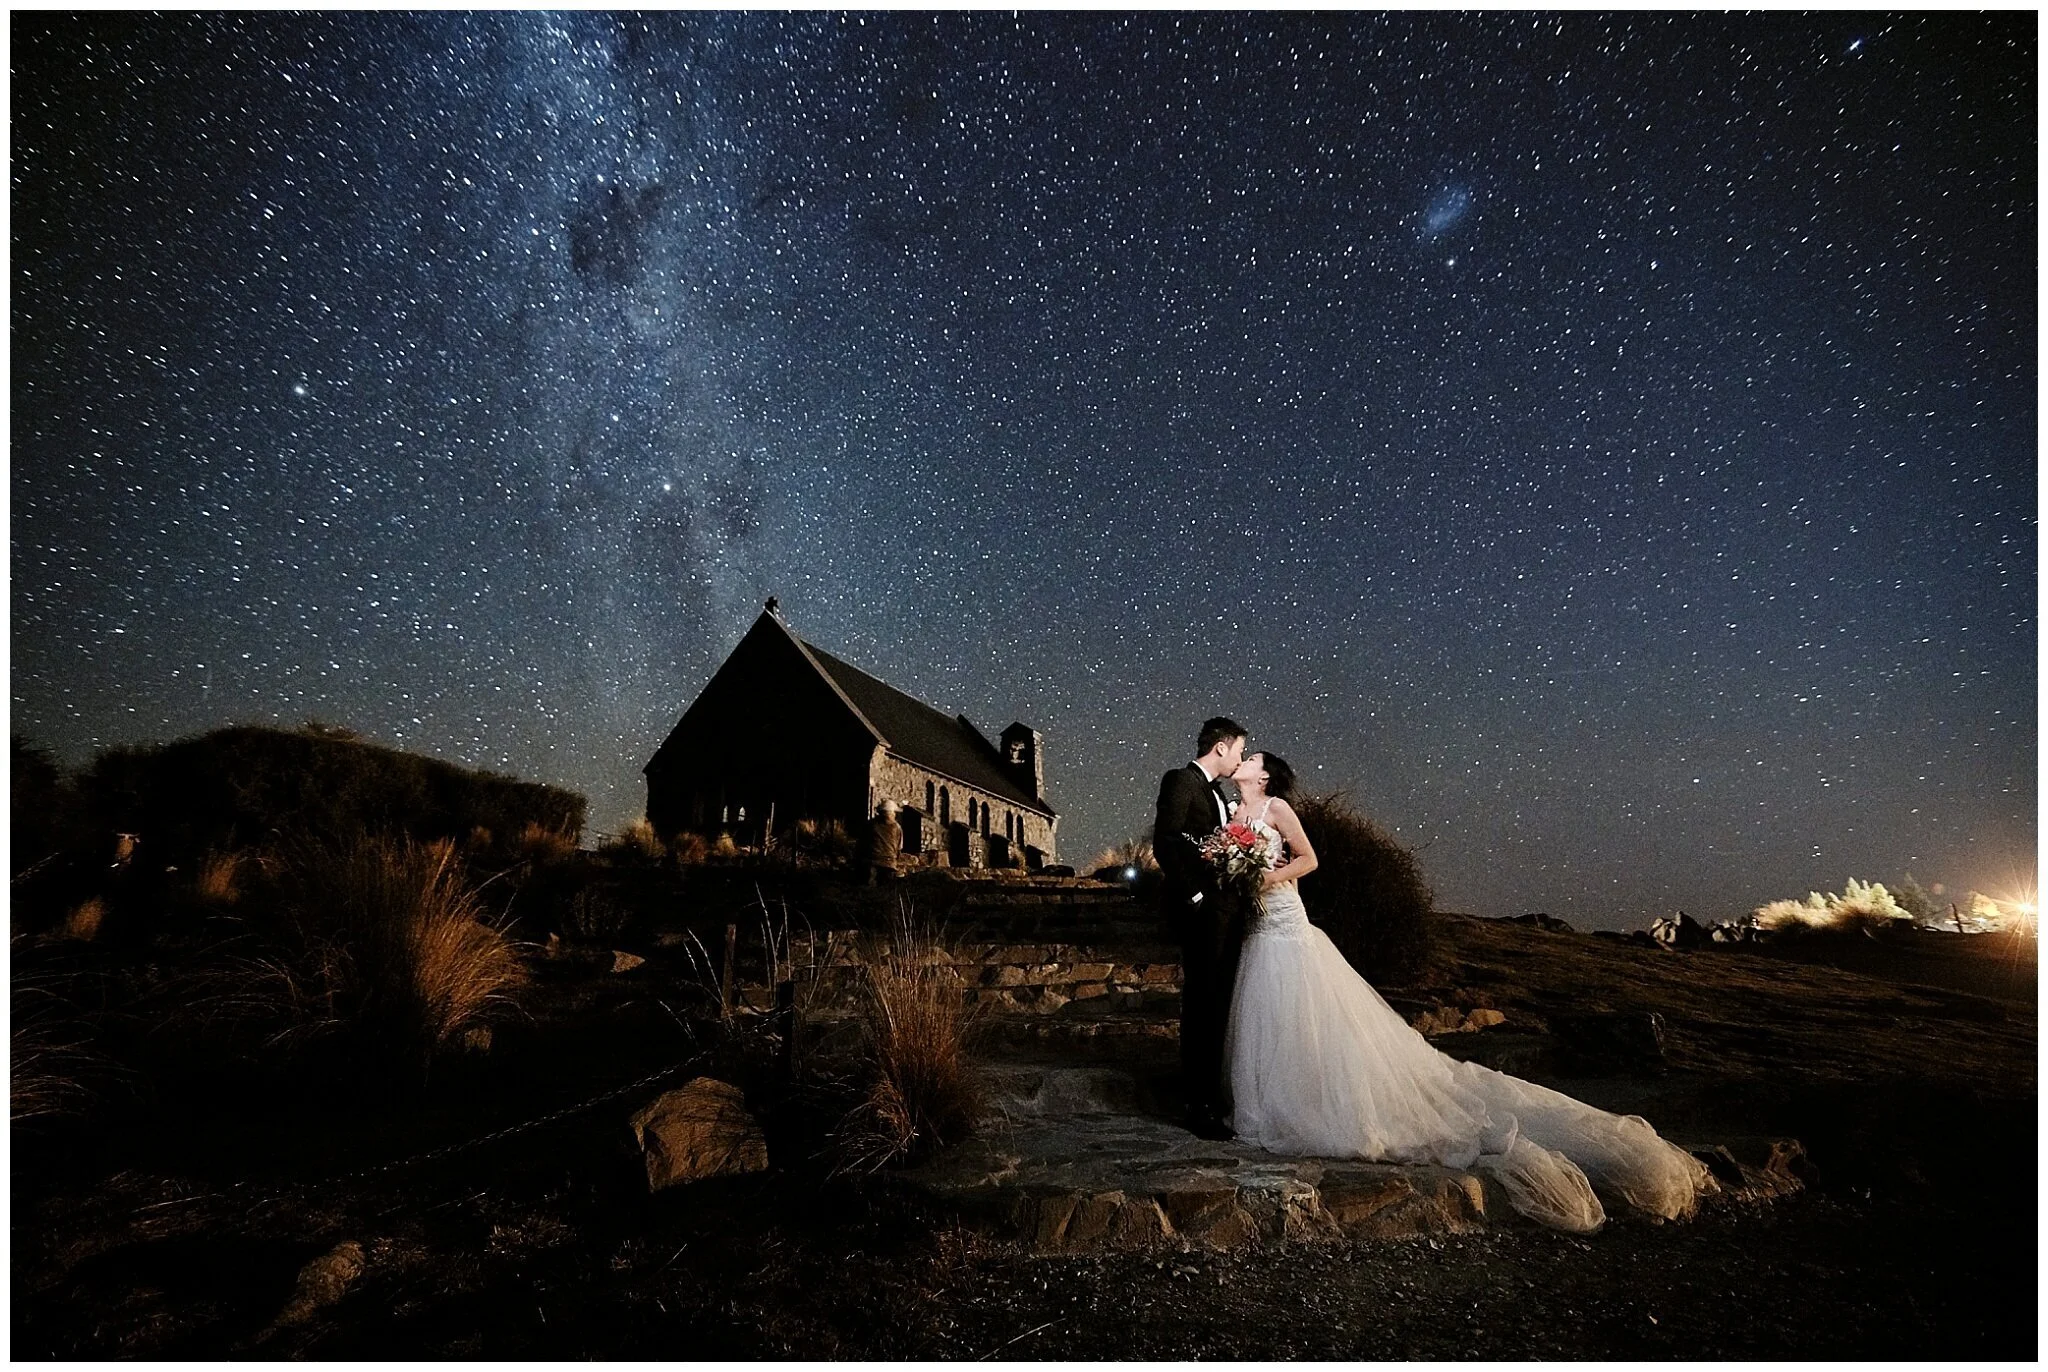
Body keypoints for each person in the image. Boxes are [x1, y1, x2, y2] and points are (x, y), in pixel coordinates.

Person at [1222, 750, 1710, 1232]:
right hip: (1259, 926)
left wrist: (1266, 877)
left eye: (1252, 759)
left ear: (1264, 776)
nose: (1244, 761)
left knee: (1300, 1003)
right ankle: (1270, 1104)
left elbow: (1308, 859)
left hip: (1286, 916)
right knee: (1268, 1013)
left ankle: (1312, 1107)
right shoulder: (1235, 812)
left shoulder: (1277, 809)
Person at [1153, 716, 1250, 1141]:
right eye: (1240, 750)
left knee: (1217, 1004)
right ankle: (1198, 1104)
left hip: (1225, 913)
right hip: (1203, 912)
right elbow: (1167, 841)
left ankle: (1210, 1096)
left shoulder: (1218, 795)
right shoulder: (1180, 781)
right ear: (1222, 747)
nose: (1241, 758)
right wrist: (1196, 897)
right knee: (1202, 1003)